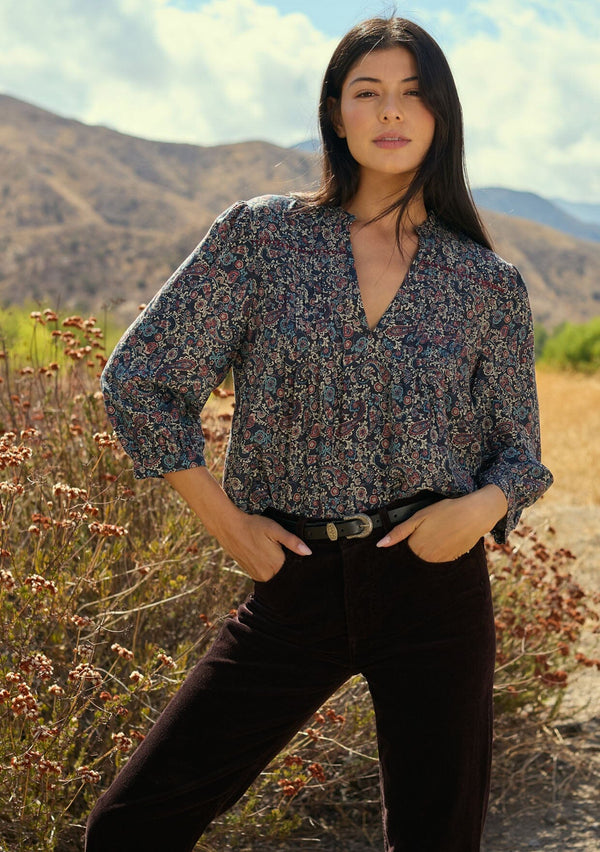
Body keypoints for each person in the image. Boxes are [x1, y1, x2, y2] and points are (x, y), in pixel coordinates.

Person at [85, 15, 552, 852]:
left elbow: (520, 452)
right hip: (292, 577)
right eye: (367, 92)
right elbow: (140, 382)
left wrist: (476, 511)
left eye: (413, 93)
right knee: (131, 827)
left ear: (441, 114)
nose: (390, 111)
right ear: (337, 112)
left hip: (434, 586)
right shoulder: (262, 238)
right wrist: (231, 528)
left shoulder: (486, 282)